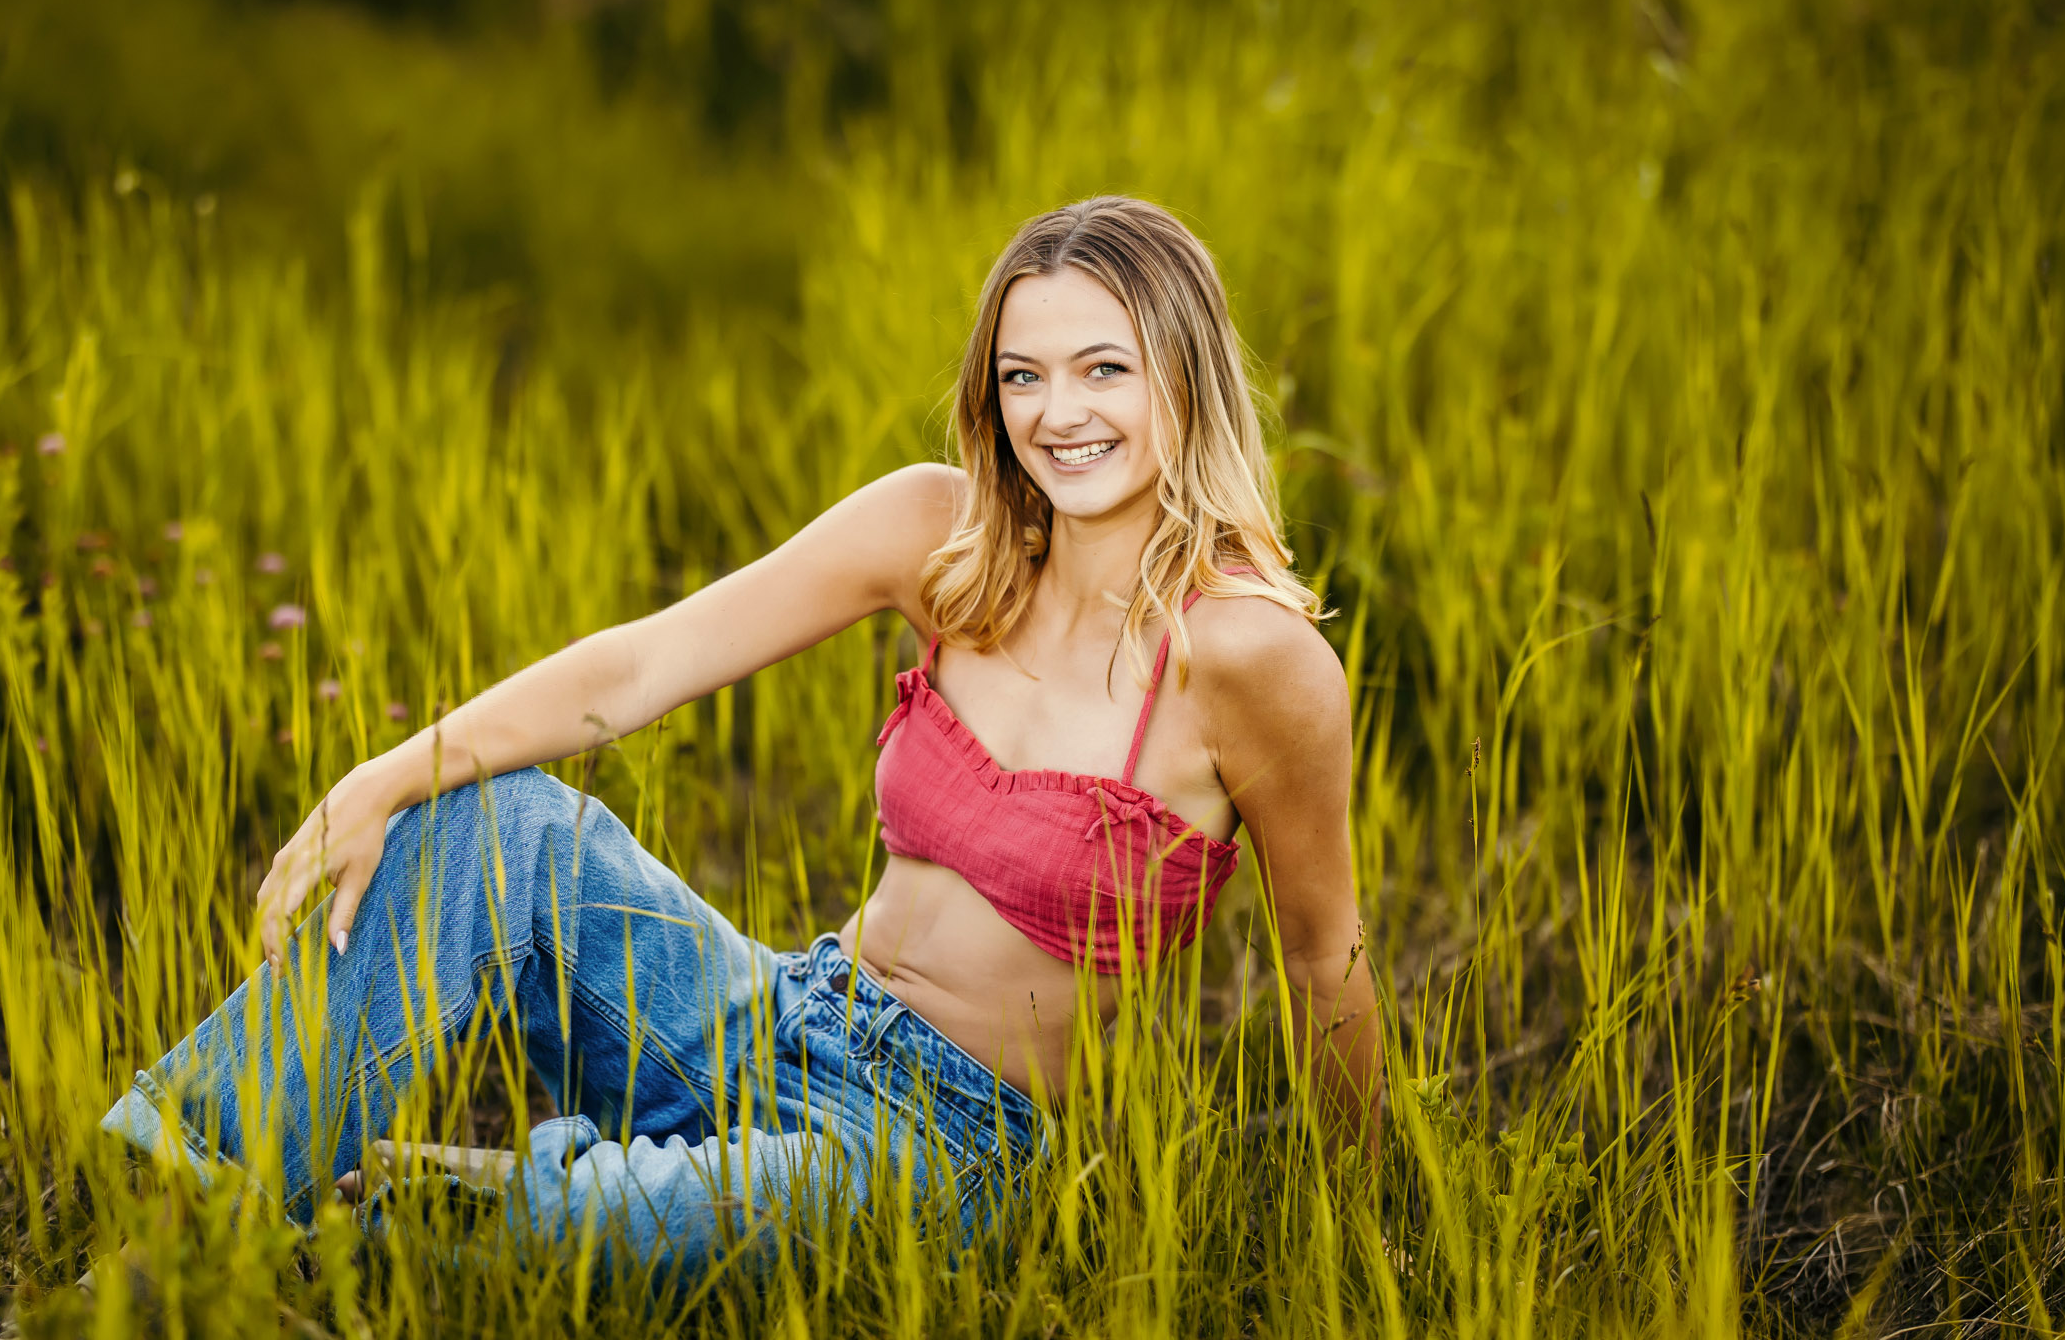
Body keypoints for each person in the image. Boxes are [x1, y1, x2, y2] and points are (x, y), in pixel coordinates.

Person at [98, 195, 1382, 1281]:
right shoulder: (943, 538)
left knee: (548, 1236)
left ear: (1183, 373)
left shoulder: (1253, 660)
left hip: (943, 1151)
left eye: (1105, 367)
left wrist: (1361, 1245)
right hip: (785, 1013)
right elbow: (652, 659)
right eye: (1022, 374)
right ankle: (173, 1211)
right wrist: (391, 769)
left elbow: (1324, 958)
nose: (1059, 413)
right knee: (495, 821)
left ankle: (464, 1200)